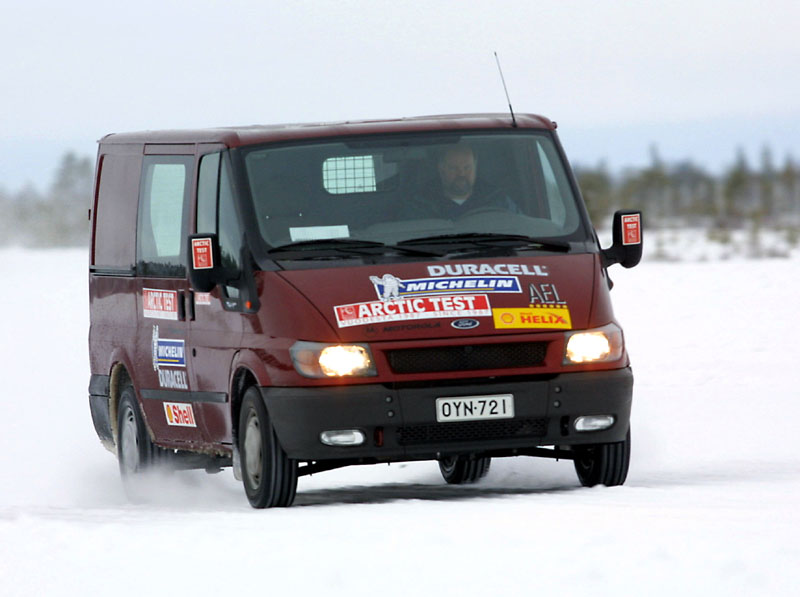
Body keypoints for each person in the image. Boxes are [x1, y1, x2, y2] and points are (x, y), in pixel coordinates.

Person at [402, 143, 518, 219]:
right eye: (453, 168)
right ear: (441, 169)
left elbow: (519, 229)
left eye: (467, 167)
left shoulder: (497, 200)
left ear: (475, 167)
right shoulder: (420, 205)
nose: (461, 174)